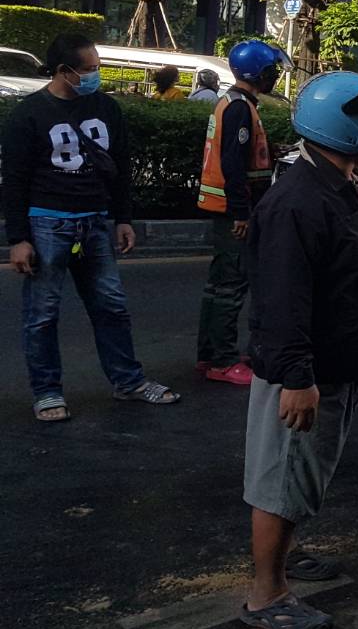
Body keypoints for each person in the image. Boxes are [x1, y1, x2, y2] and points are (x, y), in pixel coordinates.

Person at [239, 70, 358, 629]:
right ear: (345, 128)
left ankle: (285, 555)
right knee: (282, 478)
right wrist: (296, 377)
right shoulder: (299, 201)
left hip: (337, 364)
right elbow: (282, 300)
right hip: (307, 371)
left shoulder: (341, 183)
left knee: (302, 476)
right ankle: (266, 594)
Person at [3, 34, 180, 422]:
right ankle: (47, 393)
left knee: (111, 307)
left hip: (95, 222)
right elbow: (14, 180)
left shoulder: (106, 108)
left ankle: (128, 382)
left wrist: (123, 219)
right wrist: (18, 239)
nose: (95, 75)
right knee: (43, 314)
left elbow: (121, 168)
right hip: (47, 223)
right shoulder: (29, 115)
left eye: (97, 67)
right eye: (88, 70)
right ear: (63, 71)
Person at [194, 40, 289, 387]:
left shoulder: (237, 103)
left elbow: (243, 153)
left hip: (227, 208)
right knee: (230, 287)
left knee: (219, 285)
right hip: (232, 211)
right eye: (271, 70)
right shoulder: (239, 109)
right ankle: (222, 360)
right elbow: (232, 163)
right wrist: (241, 214)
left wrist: (271, 151)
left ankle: (209, 354)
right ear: (258, 73)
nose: (275, 76)